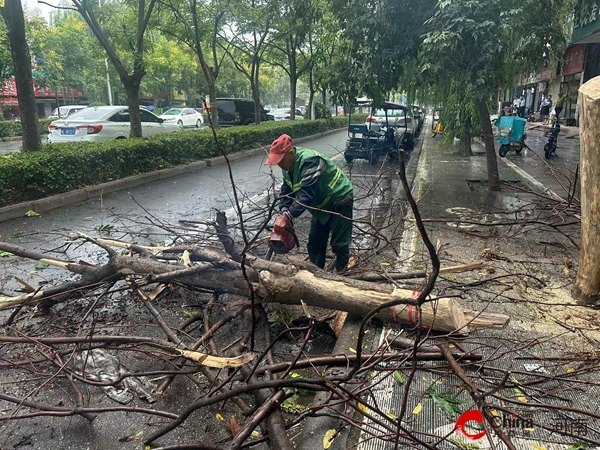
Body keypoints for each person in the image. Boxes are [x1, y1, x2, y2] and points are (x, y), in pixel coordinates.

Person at [265, 134, 354, 272]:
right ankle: (315, 275)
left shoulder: (310, 161)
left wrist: (288, 216)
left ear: (290, 153)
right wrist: (283, 210)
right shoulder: (287, 167)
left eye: (281, 160)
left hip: (339, 198)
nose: (279, 164)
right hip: (320, 205)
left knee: (339, 244)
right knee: (315, 243)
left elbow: (306, 196)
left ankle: (344, 275)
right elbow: (287, 191)